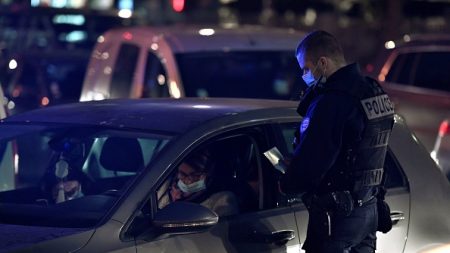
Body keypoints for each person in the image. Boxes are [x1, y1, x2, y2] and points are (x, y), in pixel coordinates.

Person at [279, 30, 394, 253]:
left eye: (305, 68)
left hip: (339, 216)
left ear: (323, 63)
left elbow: (314, 159)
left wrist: (287, 183)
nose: (304, 74)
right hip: (369, 208)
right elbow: (377, 152)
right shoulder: (373, 91)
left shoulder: (333, 102)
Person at [158, 149, 239, 217]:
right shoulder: (163, 186)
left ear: (207, 176)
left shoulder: (222, 200)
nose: (186, 180)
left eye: (194, 176)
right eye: (182, 174)